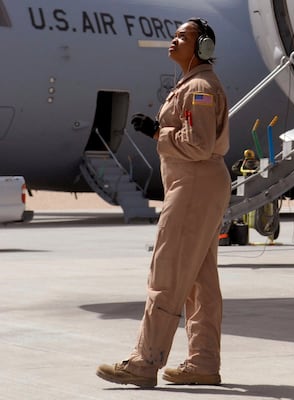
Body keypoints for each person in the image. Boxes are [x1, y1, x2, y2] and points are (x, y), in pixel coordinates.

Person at [96, 18, 230, 388]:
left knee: (167, 272)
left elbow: (200, 145)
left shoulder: (200, 87)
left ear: (202, 47)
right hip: (197, 185)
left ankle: (144, 362)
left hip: (194, 185)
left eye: (183, 37)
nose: (173, 41)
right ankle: (202, 363)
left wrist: (159, 132)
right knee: (199, 279)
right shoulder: (191, 85)